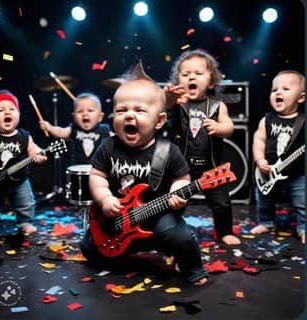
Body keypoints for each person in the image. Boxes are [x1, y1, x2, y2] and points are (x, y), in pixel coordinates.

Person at [80, 78, 209, 285]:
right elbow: (97, 176)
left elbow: (182, 178)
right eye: (121, 111)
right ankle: (122, 257)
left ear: (158, 121)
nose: (129, 115)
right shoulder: (108, 147)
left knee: (178, 236)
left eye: (139, 111)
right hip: (119, 222)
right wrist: (104, 199)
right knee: (88, 246)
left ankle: (192, 268)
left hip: (157, 219)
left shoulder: (168, 151)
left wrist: (178, 192)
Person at [164, 48, 240, 245]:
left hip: (212, 167)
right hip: (182, 170)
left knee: (222, 203)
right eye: (185, 74)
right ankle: (169, 230)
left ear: (211, 82)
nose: (191, 77)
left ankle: (224, 232)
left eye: (198, 73)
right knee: (175, 203)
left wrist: (219, 127)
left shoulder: (217, 105)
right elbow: (164, 106)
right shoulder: (177, 103)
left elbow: (229, 127)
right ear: (178, 80)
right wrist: (169, 97)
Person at [250, 70, 305, 244]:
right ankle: (266, 222)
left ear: (301, 98)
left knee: (302, 202)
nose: (278, 92)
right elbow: (258, 140)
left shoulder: (302, 121)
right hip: (268, 171)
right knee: (264, 199)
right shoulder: (266, 120)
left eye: (285, 89)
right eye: (274, 90)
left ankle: (303, 227)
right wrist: (260, 160)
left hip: (298, 173)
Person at [0, 89, 48, 234]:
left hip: (19, 179)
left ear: (19, 115)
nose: (7, 113)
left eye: (12, 109)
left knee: (26, 202)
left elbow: (32, 149)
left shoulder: (24, 136)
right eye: (0, 110)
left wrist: (38, 154)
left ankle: (25, 222)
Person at [39, 92, 112, 165]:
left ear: (100, 117)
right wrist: (49, 127)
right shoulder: (74, 128)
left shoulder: (104, 129)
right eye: (80, 111)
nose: (85, 114)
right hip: (77, 169)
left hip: (99, 168)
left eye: (90, 111)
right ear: (74, 117)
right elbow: (61, 132)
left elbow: (117, 139)